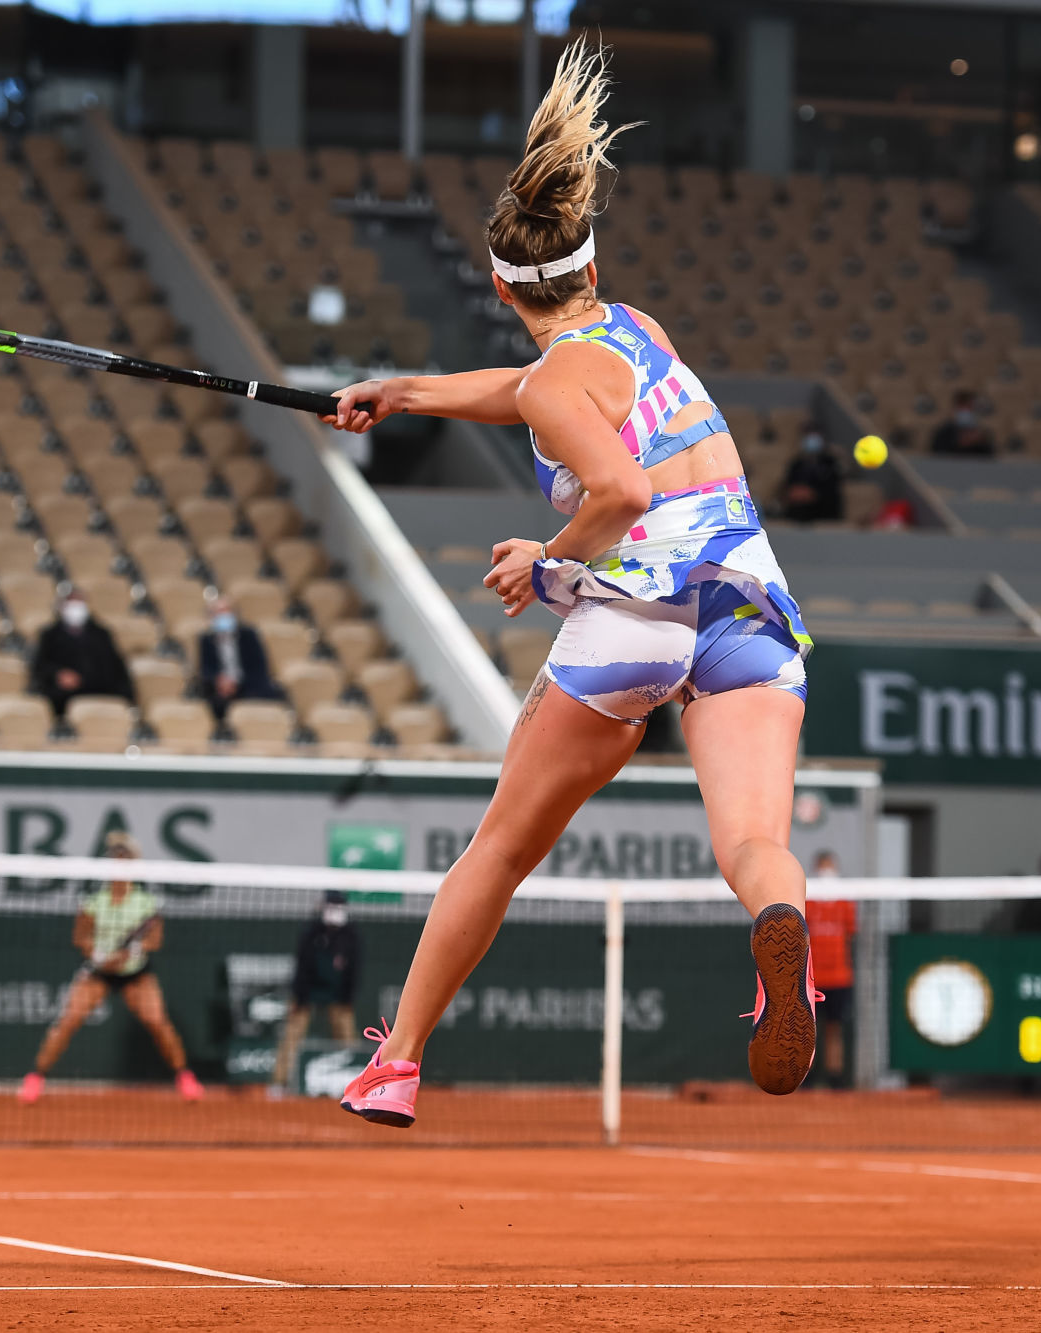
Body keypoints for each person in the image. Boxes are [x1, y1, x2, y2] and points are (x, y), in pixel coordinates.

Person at [325, 40, 819, 1130]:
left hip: (637, 613)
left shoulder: (555, 384)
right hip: (746, 600)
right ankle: (779, 937)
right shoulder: (635, 330)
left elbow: (617, 486)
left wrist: (546, 562)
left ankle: (396, 1062)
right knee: (751, 842)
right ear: (587, 272)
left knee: (501, 846)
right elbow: (532, 386)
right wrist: (404, 390)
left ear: (501, 284)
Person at [18, 831, 203, 1103]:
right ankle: (35, 1078)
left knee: (158, 1022)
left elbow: (155, 939)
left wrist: (131, 952)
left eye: (125, 862)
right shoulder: (94, 902)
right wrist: (99, 955)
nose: (119, 868)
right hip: (98, 973)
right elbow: (80, 937)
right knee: (67, 1022)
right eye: (115, 862)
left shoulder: (145, 903)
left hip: (136, 974)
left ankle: (185, 1077)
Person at [272, 891, 362, 1092]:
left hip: (338, 995)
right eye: (331, 907)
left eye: (338, 907)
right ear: (323, 908)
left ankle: (357, 1084)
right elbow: (301, 968)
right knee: (292, 1035)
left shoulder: (351, 936)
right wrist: (299, 998)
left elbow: (354, 971)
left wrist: (347, 999)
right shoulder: (310, 932)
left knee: (348, 1037)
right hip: (308, 992)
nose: (335, 911)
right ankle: (280, 1082)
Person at [29, 590, 134, 718]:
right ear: (62, 607)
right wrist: (58, 674)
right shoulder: (50, 635)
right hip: (65, 695)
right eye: (71, 604)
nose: (76, 610)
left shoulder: (101, 634)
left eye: (79, 604)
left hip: (101, 690)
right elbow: (40, 666)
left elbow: (116, 667)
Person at [805, 851, 856, 1091]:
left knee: (834, 1028)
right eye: (822, 867)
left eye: (829, 867)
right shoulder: (806, 902)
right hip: (811, 979)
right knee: (808, 1029)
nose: (826, 872)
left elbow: (851, 932)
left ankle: (835, 1077)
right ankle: (807, 1075)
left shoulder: (845, 902)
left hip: (839, 978)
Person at [194, 589, 281, 721]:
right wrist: (220, 681)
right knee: (212, 703)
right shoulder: (206, 639)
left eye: (226, 611)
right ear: (211, 617)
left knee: (271, 695)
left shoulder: (249, 635)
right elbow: (206, 669)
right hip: (221, 689)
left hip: (248, 685)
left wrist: (237, 683)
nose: (223, 616)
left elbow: (259, 666)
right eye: (219, 613)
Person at [778, 423, 842, 523]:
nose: (812, 439)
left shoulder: (830, 463)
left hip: (824, 513)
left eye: (815, 434)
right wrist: (798, 493)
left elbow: (833, 489)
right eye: (808, 434)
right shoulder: (796, 464)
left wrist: (813, 493)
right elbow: (788, 487)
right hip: (797, 512)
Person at [929, 390, 993, 457]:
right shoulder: (943, 431)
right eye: (964, 407)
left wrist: (980, 442)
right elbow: (936, 455)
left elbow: (989, 457)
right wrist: (958, 443)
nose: (967, 411)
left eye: (971, 407)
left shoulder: (981, 434)